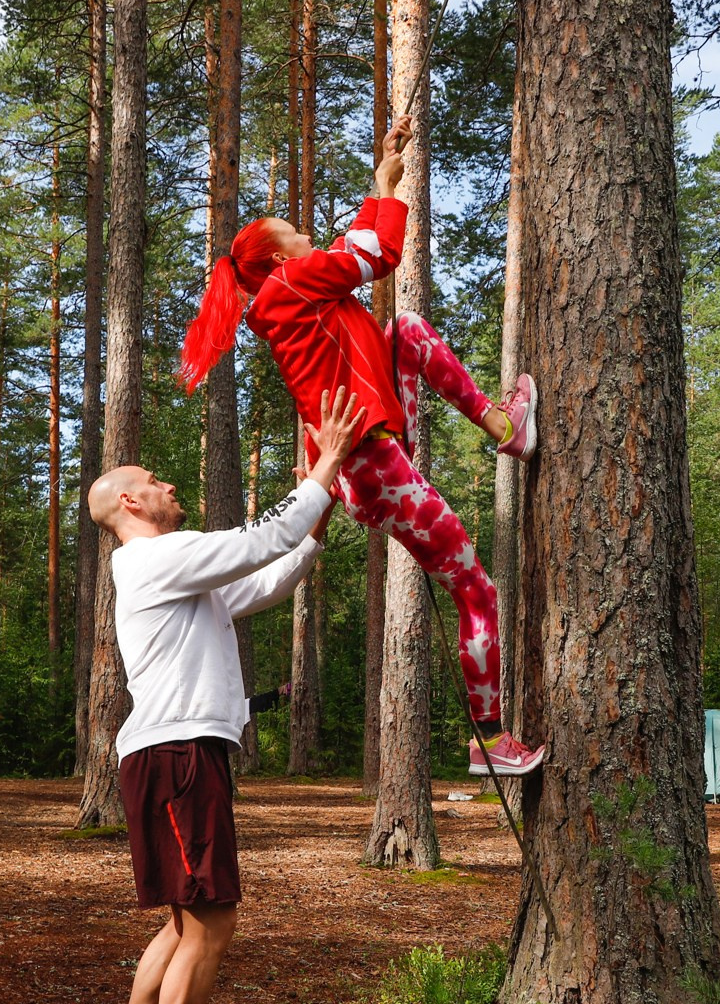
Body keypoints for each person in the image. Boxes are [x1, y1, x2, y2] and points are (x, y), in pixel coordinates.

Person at [177, 113, 544, 778]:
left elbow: (357, 250)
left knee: (406, 329)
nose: (310, 235)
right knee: (476, 590)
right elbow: (374, 252)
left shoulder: (296, 293)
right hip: (371, 463)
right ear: (285, 259)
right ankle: (489, 740)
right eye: (297, 233)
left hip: (368, 456)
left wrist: (384, 180)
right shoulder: (292, 285)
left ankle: (503, 429)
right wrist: (386, 189)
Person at [84, 387, 366, 1004]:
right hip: (178, 755)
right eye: (154, 480)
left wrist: (322, 500)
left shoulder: (175, 575)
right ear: (129, 503)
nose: (168, 485)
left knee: (183, 924)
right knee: (212, 923)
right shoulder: (153, 559)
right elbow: (254, 541)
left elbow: (265, 576)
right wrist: (326, 461)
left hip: (171, 753)